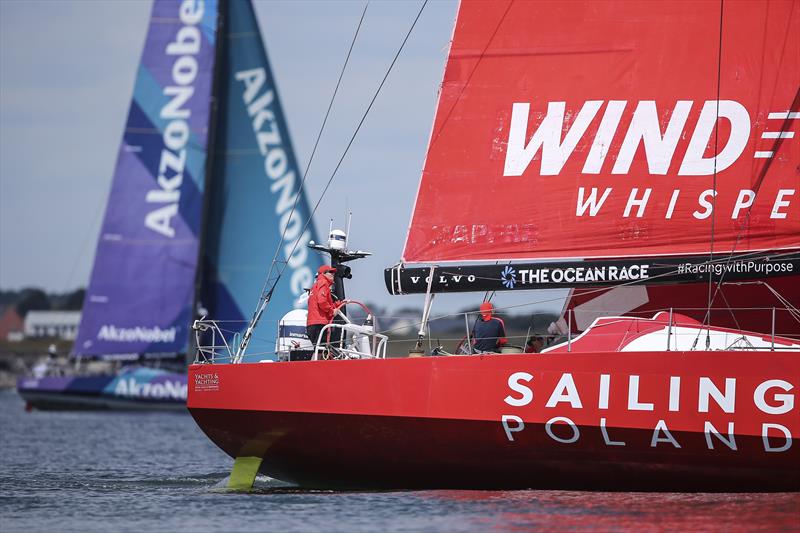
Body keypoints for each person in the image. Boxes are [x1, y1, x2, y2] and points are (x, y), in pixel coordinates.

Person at [306, 265, 337, 349]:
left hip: (312, 324)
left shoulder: (314, 286)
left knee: (318, 350)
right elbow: (322, 301)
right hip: (319, 323)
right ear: (323, 274)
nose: (333, 274)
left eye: (333, 272)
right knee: (321, 351)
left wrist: (337, 305)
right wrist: (332, 311)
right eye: (330, 272)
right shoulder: (323, 283)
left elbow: (316, 302)